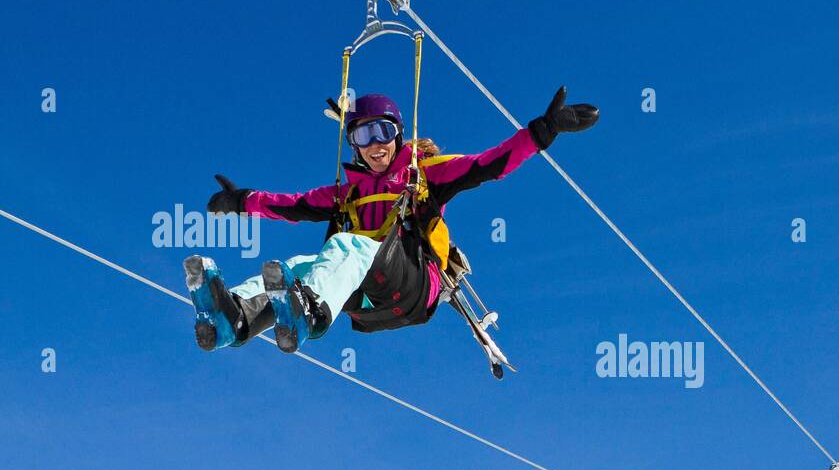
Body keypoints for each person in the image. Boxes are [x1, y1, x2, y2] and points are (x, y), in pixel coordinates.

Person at [187, 86, 598, 353]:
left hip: (413, 282)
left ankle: (308, 313)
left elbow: (487, 165)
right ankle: (233, 318)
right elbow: (292, 205)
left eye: (382, 132)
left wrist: (541, 133)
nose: (375, 145)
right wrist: (243, 201)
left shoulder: (424, 174)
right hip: (365, 294)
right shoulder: (347, 193)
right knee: (295, 267)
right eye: (362, 137)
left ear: (398, 134)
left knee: (348, 245)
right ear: (354, 145)